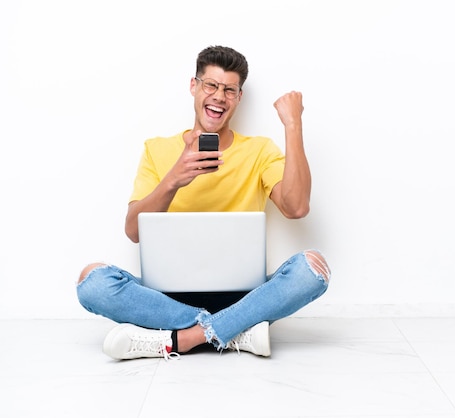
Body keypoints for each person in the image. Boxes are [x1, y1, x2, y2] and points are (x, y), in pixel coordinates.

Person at [76, 45, 331, 360]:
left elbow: (296, 208)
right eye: (211, 85)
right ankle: (236, 331)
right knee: (93, 283)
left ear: (238, 98)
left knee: (312, 269)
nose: (219, 96)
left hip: (243, 296)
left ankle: (182, 339)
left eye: (229, 90)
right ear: (194, 86)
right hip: (167, 298)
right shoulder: (157, 150)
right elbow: (133, 231)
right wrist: (174, 179)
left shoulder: (259, 151)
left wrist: (293, 125)